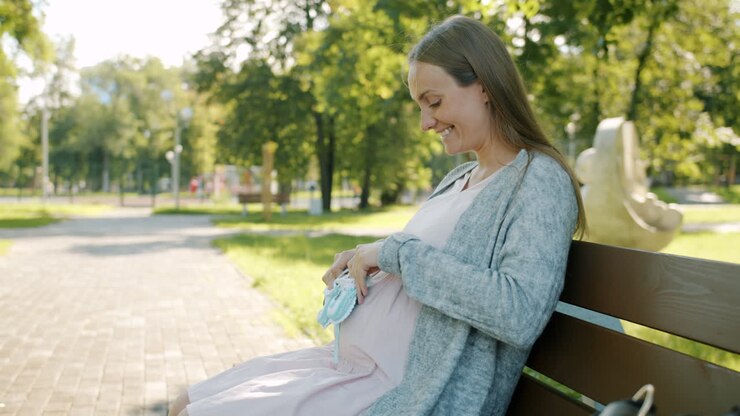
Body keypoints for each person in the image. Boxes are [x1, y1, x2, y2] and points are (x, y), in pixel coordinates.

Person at [169, 14, 584, 416]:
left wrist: (393, 253)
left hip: (403, 394)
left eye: (433, 102)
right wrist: (364, 259)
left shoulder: (537, 180)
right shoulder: (459, 178)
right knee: (183, 404)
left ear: (484, 87)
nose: (425, 122)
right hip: (349, 370)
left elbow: (519, 312)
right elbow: (418, 264)